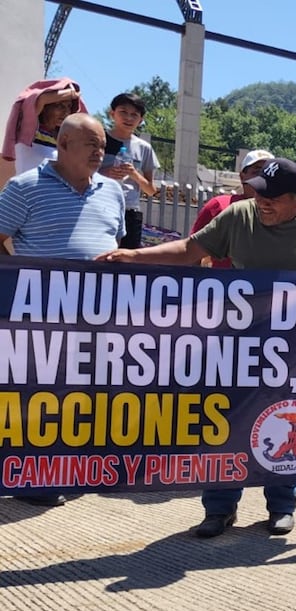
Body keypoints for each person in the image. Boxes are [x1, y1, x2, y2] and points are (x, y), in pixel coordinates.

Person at [98, 158, 296, 537]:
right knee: (224, 420)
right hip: (235, 341)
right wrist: (132, 255)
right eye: (258, 191)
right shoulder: (238, 215)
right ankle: (219, 509)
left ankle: (281, 507)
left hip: (294, 347)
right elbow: (190, 251)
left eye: (273, 197)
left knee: (286, 416)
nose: (261, 201)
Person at [0, 113, 125, 508]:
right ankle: (34, 477)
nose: (99, 152)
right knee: (40, 397)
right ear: (64, 143)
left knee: (88, 395)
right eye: (92, 144)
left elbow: (115, 245)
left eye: (102, 146)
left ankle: (78, 468)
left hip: (98, 316)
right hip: (41, 315)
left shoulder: (113, 192)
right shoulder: (24, 188)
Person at [189, 149, 275, 268]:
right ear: (242, 176)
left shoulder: (285, 211)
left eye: (267, 173)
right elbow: (192, 252)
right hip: (224, 284)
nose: (262, 178)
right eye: (256, 171)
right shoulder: (219, 205)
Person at [100, 92, 159, 250]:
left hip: (130, 212)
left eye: (134, 115)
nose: (129, 118)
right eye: (123, 112)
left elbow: (151, 190)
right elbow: (81, 171)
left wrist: (134, 174)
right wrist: (104, 172)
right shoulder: (100, 139)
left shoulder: (144, 148)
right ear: (112, 114)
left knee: (126, 262)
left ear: (141, 120)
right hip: (100, 207)